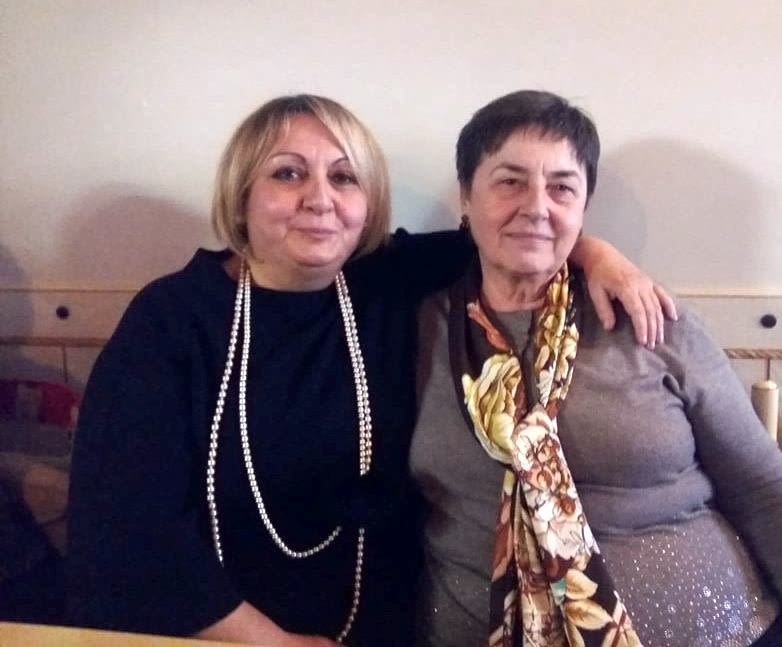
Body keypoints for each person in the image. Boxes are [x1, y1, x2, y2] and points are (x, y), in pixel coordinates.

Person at [66, 94, 674, 646]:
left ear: (368, 201)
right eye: (288, 174)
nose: (320, 199)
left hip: (388, 629)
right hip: (214, 634)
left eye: (344, 177)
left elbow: (516, 232)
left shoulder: (387, 280)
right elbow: (127, 527)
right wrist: (270, 642)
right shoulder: (172, 321)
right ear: (241, 193)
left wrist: (600, 256)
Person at [411, 90, 782, 647]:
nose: (537, 206)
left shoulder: (651, 320)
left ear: (585, 205)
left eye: (562, 187)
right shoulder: (416, 330)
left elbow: (762, 488)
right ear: (467, 194)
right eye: (510, 182)